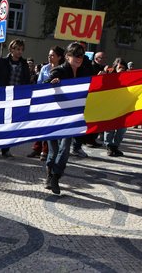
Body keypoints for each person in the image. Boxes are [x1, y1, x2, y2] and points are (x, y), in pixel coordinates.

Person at [44, 42, 93, 194]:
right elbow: (44, 87)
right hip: (54, 116)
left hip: (72, 116)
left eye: (81, 55)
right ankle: (49, 175)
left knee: (65, 149)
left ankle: (56, 177)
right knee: (53, 150)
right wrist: (52, 83)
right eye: (75, 55)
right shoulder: (59, 70)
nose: (79, 58)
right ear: (67, 56)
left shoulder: (85, 71)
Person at [27, 46, 65, 161]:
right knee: (40, 124)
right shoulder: (44, 68)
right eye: (49, 55)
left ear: (59, 57)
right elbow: (39, 83)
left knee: (50, 125)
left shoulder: (63, 69)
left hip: (56, 101)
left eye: (52, 55)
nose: (49, 57)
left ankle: (46, 150)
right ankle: (37, 148)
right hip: (44, 99)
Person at [103, 59, 129, 157]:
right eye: (119, 67)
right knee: (110, 128)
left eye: (123, 68)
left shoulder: (129, 78)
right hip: (111, 106)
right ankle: (109, 146)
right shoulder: (110, 77)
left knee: (122, 129)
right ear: (115, 68)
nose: (121, 69)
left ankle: (115, 147)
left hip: (124, 107)